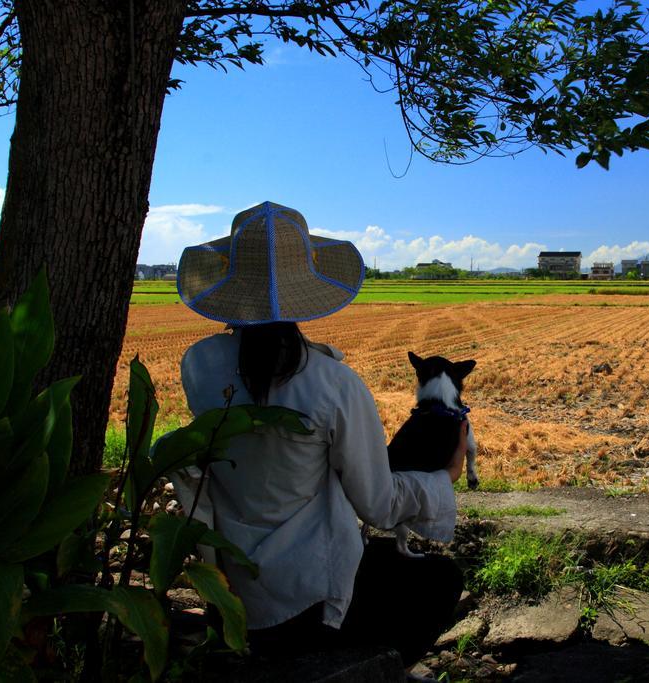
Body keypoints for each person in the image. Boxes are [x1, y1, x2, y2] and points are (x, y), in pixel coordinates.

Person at [175, 201, 466, 666]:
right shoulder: (333, 384)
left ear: (230, 285)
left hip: (231, 593)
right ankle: (370, 672)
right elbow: (378, 503)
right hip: (307, 596)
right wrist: (444, 477)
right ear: (307, 287)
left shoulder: (199, 366)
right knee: (441, 580)